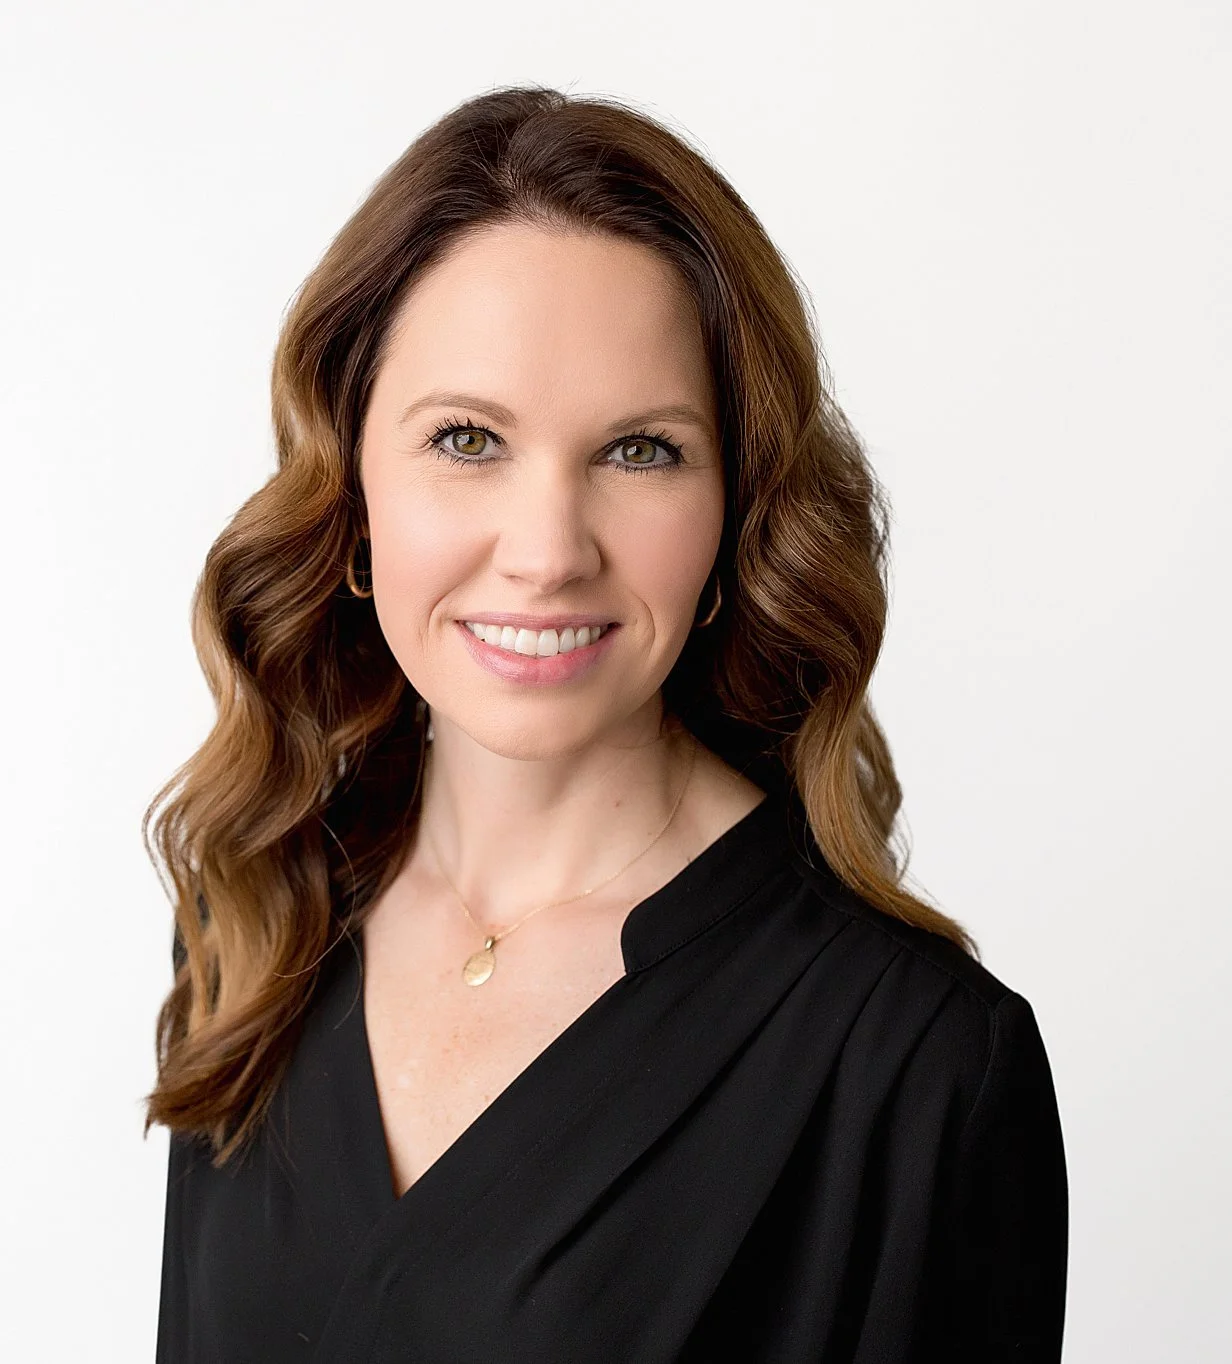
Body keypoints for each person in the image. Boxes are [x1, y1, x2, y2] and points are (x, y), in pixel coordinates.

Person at [143, 84, 1068, 1362]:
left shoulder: (912, 1065)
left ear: (738, 511)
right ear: (352, 495)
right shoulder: (258, 916)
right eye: (465, 438)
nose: (544, 552)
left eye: (638, 451)